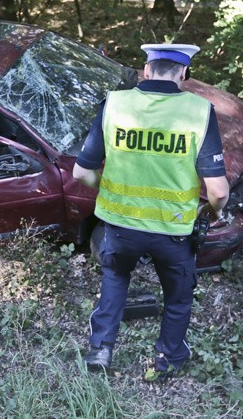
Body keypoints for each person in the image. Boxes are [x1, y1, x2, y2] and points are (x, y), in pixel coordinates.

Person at [72, 43, 230, 380]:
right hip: (173, 232)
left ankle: (100, 349)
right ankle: (168, 360)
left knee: (115, 278)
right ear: (183, 74)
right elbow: (218, 191)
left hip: (119, 226)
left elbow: (81, 173)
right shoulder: (200, 112)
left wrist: (110, 192)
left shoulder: (114, 103)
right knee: (177, 296)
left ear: (146, 70)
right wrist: (210, 214)